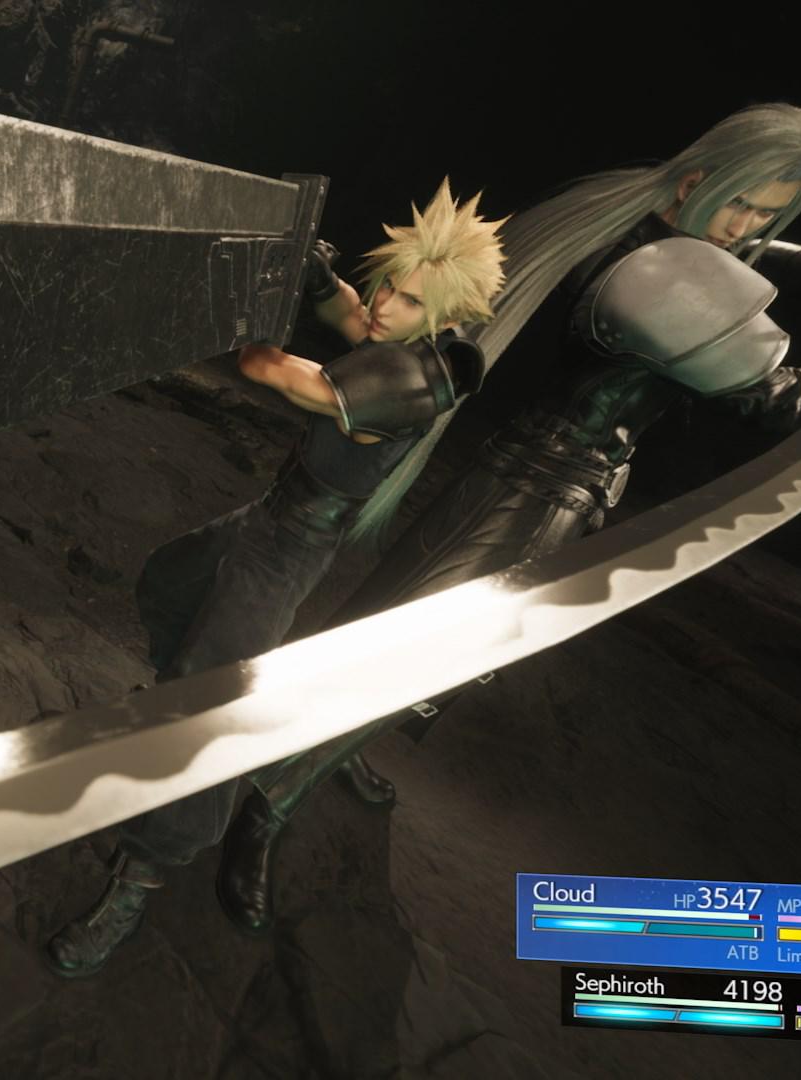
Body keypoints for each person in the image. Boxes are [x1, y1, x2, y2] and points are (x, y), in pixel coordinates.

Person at [212, 102, 801, 935]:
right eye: (744, 202)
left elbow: (763, 255)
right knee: (405, 654)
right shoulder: (655, 276)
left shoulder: (668, 229)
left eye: (769, 210)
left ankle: (335, 752)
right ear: (698, 180)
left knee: (438, 653)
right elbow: (790, 405)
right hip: (537, 488)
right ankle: (268, 804)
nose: (749, 225)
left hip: (570, 486)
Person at [44, 179, 508, 977]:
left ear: (443, 315)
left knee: (207, 715)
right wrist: (316, 273)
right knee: (168, 584)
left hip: (288, 550)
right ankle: (165, 712)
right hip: (267, 517)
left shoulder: (406, 387)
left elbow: (264, 366)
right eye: (387, 285)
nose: (384, 304)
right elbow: (348, 312)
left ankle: (138, 878)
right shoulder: (399, 329)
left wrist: (261, 294)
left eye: (405, 299)